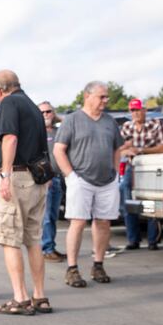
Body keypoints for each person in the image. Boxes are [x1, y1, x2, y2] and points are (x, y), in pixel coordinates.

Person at [0, 70, 51, 315]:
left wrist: (4, 175)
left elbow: (10, 139)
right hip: (36, 180)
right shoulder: (34, 107)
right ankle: (39, 296)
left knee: (9, 239)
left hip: (17, 177)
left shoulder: (9, 103)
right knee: (33, 240)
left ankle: (20, 298)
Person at [54, 81, 124, 288]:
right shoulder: (72, 120)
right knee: (78, 222)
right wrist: (70, 175)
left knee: (103, 222)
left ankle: (98, 264)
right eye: (102, 96)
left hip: (107, 181)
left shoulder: (110, 122)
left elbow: (117, 149)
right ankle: (72, 269)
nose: (106, 101)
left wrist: (115, 172)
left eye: (106, 97)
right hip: (81, 179)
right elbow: (59, 149)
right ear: (87, 96)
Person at [119, 98, 163, 250]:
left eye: (137, 110)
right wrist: (127, 150)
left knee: (150, 203)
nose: (135, 113)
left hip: (151, 169)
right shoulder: (127, 127)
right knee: (128, 200)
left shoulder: (155, 124)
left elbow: (162, 147)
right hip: (132, 168)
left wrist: (141, 150)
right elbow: (119, 148)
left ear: (144, 110)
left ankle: (152, 240)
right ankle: (133, 239)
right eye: (132, 110)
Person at [39, 101, 66, 262]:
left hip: (58, 178)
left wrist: (57, 117)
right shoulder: (37, 132)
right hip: (45, 180)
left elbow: (70, 123)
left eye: (48, 112)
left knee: (55, 215)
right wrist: (44, 176)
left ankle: (51, 246)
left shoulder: (59, 131)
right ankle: (47, 248)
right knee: (47, 215)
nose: (46, 115)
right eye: (42, 112)